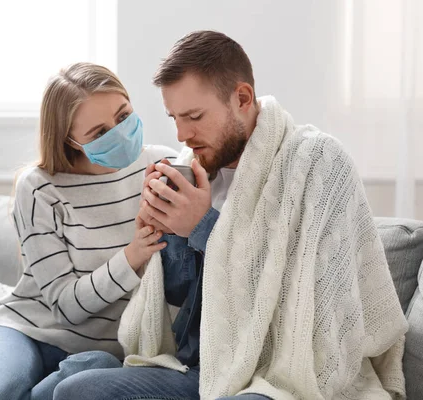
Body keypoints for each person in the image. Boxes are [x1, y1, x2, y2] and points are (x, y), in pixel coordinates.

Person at [53, 31, 408, 400]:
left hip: (274, 377)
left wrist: (202, 227)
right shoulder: (195, 170)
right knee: (77, 390)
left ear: (242, 98)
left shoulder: (317, 161)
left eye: (194, 116)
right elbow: (179, 305)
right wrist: (169, 232)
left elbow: (312, 307)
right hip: (200, 369)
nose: (182, 133)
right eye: (174, 117)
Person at [0, 62, 178, 400]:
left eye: (123, 116)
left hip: (102, 354)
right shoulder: (39, 188)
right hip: (28, 330)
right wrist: (133, 256)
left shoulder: (165, 166)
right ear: (70, 141)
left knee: (93, 366)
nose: (119, 133)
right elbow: (66, 307)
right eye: (99, 133)